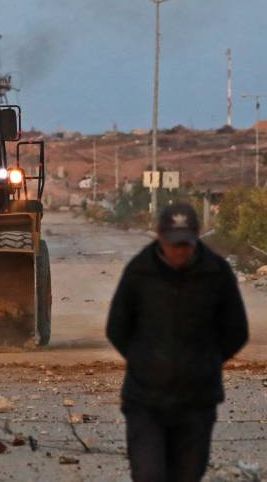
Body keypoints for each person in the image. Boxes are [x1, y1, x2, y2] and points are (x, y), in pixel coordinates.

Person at [106, 202, 248, 482]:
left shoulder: (216, 273)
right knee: (149, 475)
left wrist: (205, 362)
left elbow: (236, 330)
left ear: (197, 236)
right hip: (145, 401)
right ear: (159, 236)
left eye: (185, 244)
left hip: (197, 401)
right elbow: (117, 328)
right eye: (174, 244)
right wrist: (144, 361)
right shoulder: (140, 271)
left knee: (187, 476)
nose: (180, 251)